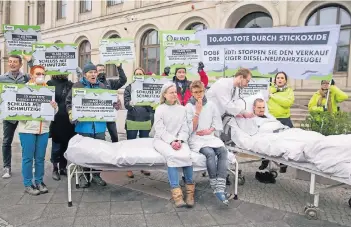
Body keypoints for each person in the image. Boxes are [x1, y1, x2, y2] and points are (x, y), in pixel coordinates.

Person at [66, 62, 121, 188]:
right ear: (85, 74)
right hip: (83, 126)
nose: (93, 74)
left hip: (100, 127)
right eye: (90, 72)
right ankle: (83, 176)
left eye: (95, 72)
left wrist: (115, 104)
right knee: (84, 153)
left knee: (98, 153)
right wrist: (71, 113)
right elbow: (69, 102)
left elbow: (111, 104)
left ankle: (96, 175)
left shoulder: (102, 86)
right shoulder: (77, 86)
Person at [186, 80, 232, 205]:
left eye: (200, 91)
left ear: (204, 90)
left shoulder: (211, 104)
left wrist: (210, 130)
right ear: (192, 93)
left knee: (223, 151)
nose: (198, 94)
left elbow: (217, 121)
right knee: (210, 153)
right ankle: (214, 185)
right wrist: (198, 111)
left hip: (209, 135)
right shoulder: (189, 106)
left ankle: (220, 188)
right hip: (196, 138)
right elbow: (190, 127)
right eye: (195, 92)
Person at [152, 83, 195, 208]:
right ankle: (177, 194)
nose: (174, 94)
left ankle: (190, 193)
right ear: (164, 95)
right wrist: (171, 141)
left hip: (179, 140)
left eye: (175, 92)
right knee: (171, 156)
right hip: (162, 140)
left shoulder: (182, 109)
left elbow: (184, 128)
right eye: (171, 92)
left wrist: (180, 140)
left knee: (187, 156)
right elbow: (159, 129)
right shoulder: (160, 109)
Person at [18, 65, 58, 195]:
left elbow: (54, 111)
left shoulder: (48, 90)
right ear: (31, 76)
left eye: (43, 74)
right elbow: (16, 109)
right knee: (28, 158)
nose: (41, 76)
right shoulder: (23, 89)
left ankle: (39, 181)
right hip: (28, 129)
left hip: (44, 129)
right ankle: (28, 184)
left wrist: (54, 107)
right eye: (38, 74)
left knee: (40, 158)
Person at [0, 55, 30, 178]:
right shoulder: (2, 78)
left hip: (23, 114)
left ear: (20, 64)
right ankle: (7, 167)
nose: (12, 64)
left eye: (15, 62)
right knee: (7, 141)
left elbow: (37, 72)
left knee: (27, 141)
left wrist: (31, 61)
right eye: (10, 62)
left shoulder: (26, 78)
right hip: (9, 115)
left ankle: (28, 165)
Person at [123, 67, 152, 178]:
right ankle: (129, 168)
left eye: (141, 74)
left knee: (144, 145)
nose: (139, 75)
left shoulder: (148, 88)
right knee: (131, 145)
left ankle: (143, 166)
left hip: (145, 120)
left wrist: (147, 107)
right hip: (132, 119)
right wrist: (133, 105)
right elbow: (126, 103)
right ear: (134, 76)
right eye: (137, 74)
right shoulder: (129, 88)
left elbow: (152, 104)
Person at [47, 75, 76, 181]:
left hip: (68, 119)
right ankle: (55, 168)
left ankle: (63, 167)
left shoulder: (71, 84)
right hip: (56, 119)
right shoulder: (50, 84)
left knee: (66, 144)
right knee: (56, 146)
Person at [266, 72, 294, 173]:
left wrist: (273, 96)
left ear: (285, 80)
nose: (280, 79)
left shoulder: (289, 91)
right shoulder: (269, 89)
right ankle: (265, 159)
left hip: (284, 119)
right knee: (268, 141)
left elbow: (287, 103)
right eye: (278, 78)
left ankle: (283, 163)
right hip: (271, 119)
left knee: (286, 142)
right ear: (275, 80)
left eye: (282, 78)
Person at [96, 63, 127, 143]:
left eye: (103, 70)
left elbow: (123, 80)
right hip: (97, 115)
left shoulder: (110, 83)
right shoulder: (92, 84)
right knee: (100, 139)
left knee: (115, 137)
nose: (102, 72)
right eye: (100, 70)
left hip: (109, 115)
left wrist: (119, 67)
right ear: (95, 72)